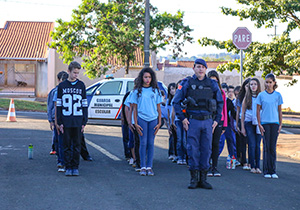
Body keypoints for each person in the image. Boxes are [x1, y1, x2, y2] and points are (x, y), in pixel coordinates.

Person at [173, 58, 223, 189]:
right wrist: (183, 118)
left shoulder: (212, 84)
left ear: (206, 69)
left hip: (207, 121)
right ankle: (194, 179)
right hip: (193, 120)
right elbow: (176, 101)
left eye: (203, 67)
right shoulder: (187, 83)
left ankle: (203, 179)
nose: (200, 69)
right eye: (198, 66)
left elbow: (220, 103)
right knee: (192, 150)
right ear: (193, 68)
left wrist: (217, 120)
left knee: (206, 150)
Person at [56, 61, 88, 176]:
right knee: (66, 145)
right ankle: (68, 166)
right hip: (66, 120)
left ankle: (75, 166)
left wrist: (84, 121)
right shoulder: (62, 86)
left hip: (78, 120)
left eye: (77, 73)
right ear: (69, 71)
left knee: (77, 145)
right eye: (74, 72)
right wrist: (59, 122)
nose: (76, 75)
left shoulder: (81, 85)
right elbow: (58, 105)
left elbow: (84, 104)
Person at [132, 67, 162, 176]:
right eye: (145, 77)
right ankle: (142, 167)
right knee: (143, 142)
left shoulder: (156, 91)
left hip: (153, 119)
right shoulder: (137, 91)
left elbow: (158, 108)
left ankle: (149, 167)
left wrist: (159, 123)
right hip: (142, 119)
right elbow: (134, 109)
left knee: (150, 143)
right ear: (142, 78)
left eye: (149, 77)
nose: (147, 79)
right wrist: (135, 123)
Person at [257, 73, 283, 179]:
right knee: (266, 147)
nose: (268, 84)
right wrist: (259, 124)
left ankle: (273, 170)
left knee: (273, 147)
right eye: (266, 82)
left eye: (270, 82)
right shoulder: (261, 95)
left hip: (275, 123)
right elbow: (258, 110)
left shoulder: (278, 95)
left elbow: (280, 110)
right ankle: (266, 170)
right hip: (265, 123)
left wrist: (280, 124)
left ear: (274, 83)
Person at [207, 71, 227, 177]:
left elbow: (224, 108)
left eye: (216, 80)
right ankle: (207, 165)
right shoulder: (206, 91)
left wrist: (225, 124)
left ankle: (214, 166)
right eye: (212, 80)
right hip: (208, 120)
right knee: (207, 144)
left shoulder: (221, 92)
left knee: (215, 144)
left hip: (219, 120)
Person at [47, 71, 68, 172]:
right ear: (58, 80)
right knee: (58, 139)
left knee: (66, 141)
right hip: (56, 120)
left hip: (66, 120)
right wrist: (51, 120)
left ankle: (65, 159)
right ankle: (60, 159)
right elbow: (50, 106)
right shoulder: (54, 92)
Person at [241, 78, 262, 174]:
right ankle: (252, 165)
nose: (253, 86)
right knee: (252, 144)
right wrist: (242, 127)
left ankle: (258, 166)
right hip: (249, 123)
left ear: (258, 86)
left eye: (255, 84)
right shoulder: (247, 98)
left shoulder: (261, 97)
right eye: (251, 84)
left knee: (257, 145)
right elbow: (243, 113)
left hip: (258, 123)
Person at [218, 83, 238, 169]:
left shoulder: (228, 102)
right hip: (219, 123)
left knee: (231, 140)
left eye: (226, 91)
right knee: (220, 142)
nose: (225, 93)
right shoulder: (217, 100)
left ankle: (232, 157)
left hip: (228, 124)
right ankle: (213, 157)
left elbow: (233, 113)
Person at [236, 78, 251, 170]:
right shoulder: (240, 98)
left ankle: (251, 161)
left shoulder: (255, 97)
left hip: (251, 121)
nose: (249, 87)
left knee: (250, 143)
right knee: (242, 142)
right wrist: (237, 124)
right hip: (242, 120)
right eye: (247, 85)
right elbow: (238, 112)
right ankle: (243, 160)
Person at [166, 83, 177, 161]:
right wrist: (169, 124)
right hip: (171, 120)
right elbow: (168, 113)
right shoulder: (168, 101)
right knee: (172, 137)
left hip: (176, 120)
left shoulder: (177, 99)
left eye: (173, 89)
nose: (172, 91)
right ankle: (171, 153)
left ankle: (176, 154)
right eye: (171, 89)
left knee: (177, 138)